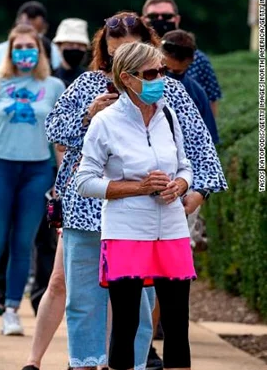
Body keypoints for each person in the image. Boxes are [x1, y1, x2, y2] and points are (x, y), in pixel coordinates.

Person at [29, 11, 227, 370]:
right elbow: (55, 133)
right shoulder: (88, 85)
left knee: (139, 304)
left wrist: (194, 192)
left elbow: (199, 148)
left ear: (149, 47)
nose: (122, 56)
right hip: (87, 207)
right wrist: (88, 116)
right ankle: (85, 363)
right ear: (106, 50)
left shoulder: (170, 92)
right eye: (115, 48)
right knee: (83, 296)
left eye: (131, 48)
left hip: (149, 218)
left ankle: (132, 363)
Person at [76, 41, 196, 370]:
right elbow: (84, 181)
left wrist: (180, 185)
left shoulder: (168, 114)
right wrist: (138, 187)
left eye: (163, 71)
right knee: (126, 325)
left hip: (172, 230)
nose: (162, 78)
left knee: (176, 326)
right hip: (126, 232)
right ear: (127, 79)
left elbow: (186, 166)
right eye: (153, 73)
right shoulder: (105, 122)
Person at [0, 24, 65, 336]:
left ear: (40, 51)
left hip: (36, 171)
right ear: (9, 51)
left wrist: (61, 180)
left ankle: (11, 310)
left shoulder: (53, 86)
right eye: (18, 46)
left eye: (30, 46)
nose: (24, 52)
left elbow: (59, 139)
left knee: (23, 244)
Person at [142, 0, 222, 118]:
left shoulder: (199, 60)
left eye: (166, 16)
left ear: (177, 19)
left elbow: (210, 103)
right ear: (143, 20)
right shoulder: (134, 59)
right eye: (153, 16)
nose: (160, 19)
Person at [0, 1, 62, 104]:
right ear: (17, 22)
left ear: (44, 28)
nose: (28, 33)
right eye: (26, 25)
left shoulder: (53, 51)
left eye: (35, 31)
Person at [162, 30, 219, 145]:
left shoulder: (197, 92)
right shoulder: (142, 84)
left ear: (190, 62)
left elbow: (207, 141)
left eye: (177, 72)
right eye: (165, 69)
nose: (170, 78)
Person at [52, 18, 90, 87]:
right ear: (59, 46)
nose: (75, 48)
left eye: (80, 45)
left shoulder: (90, 80)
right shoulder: (50, 78)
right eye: (70, 44)